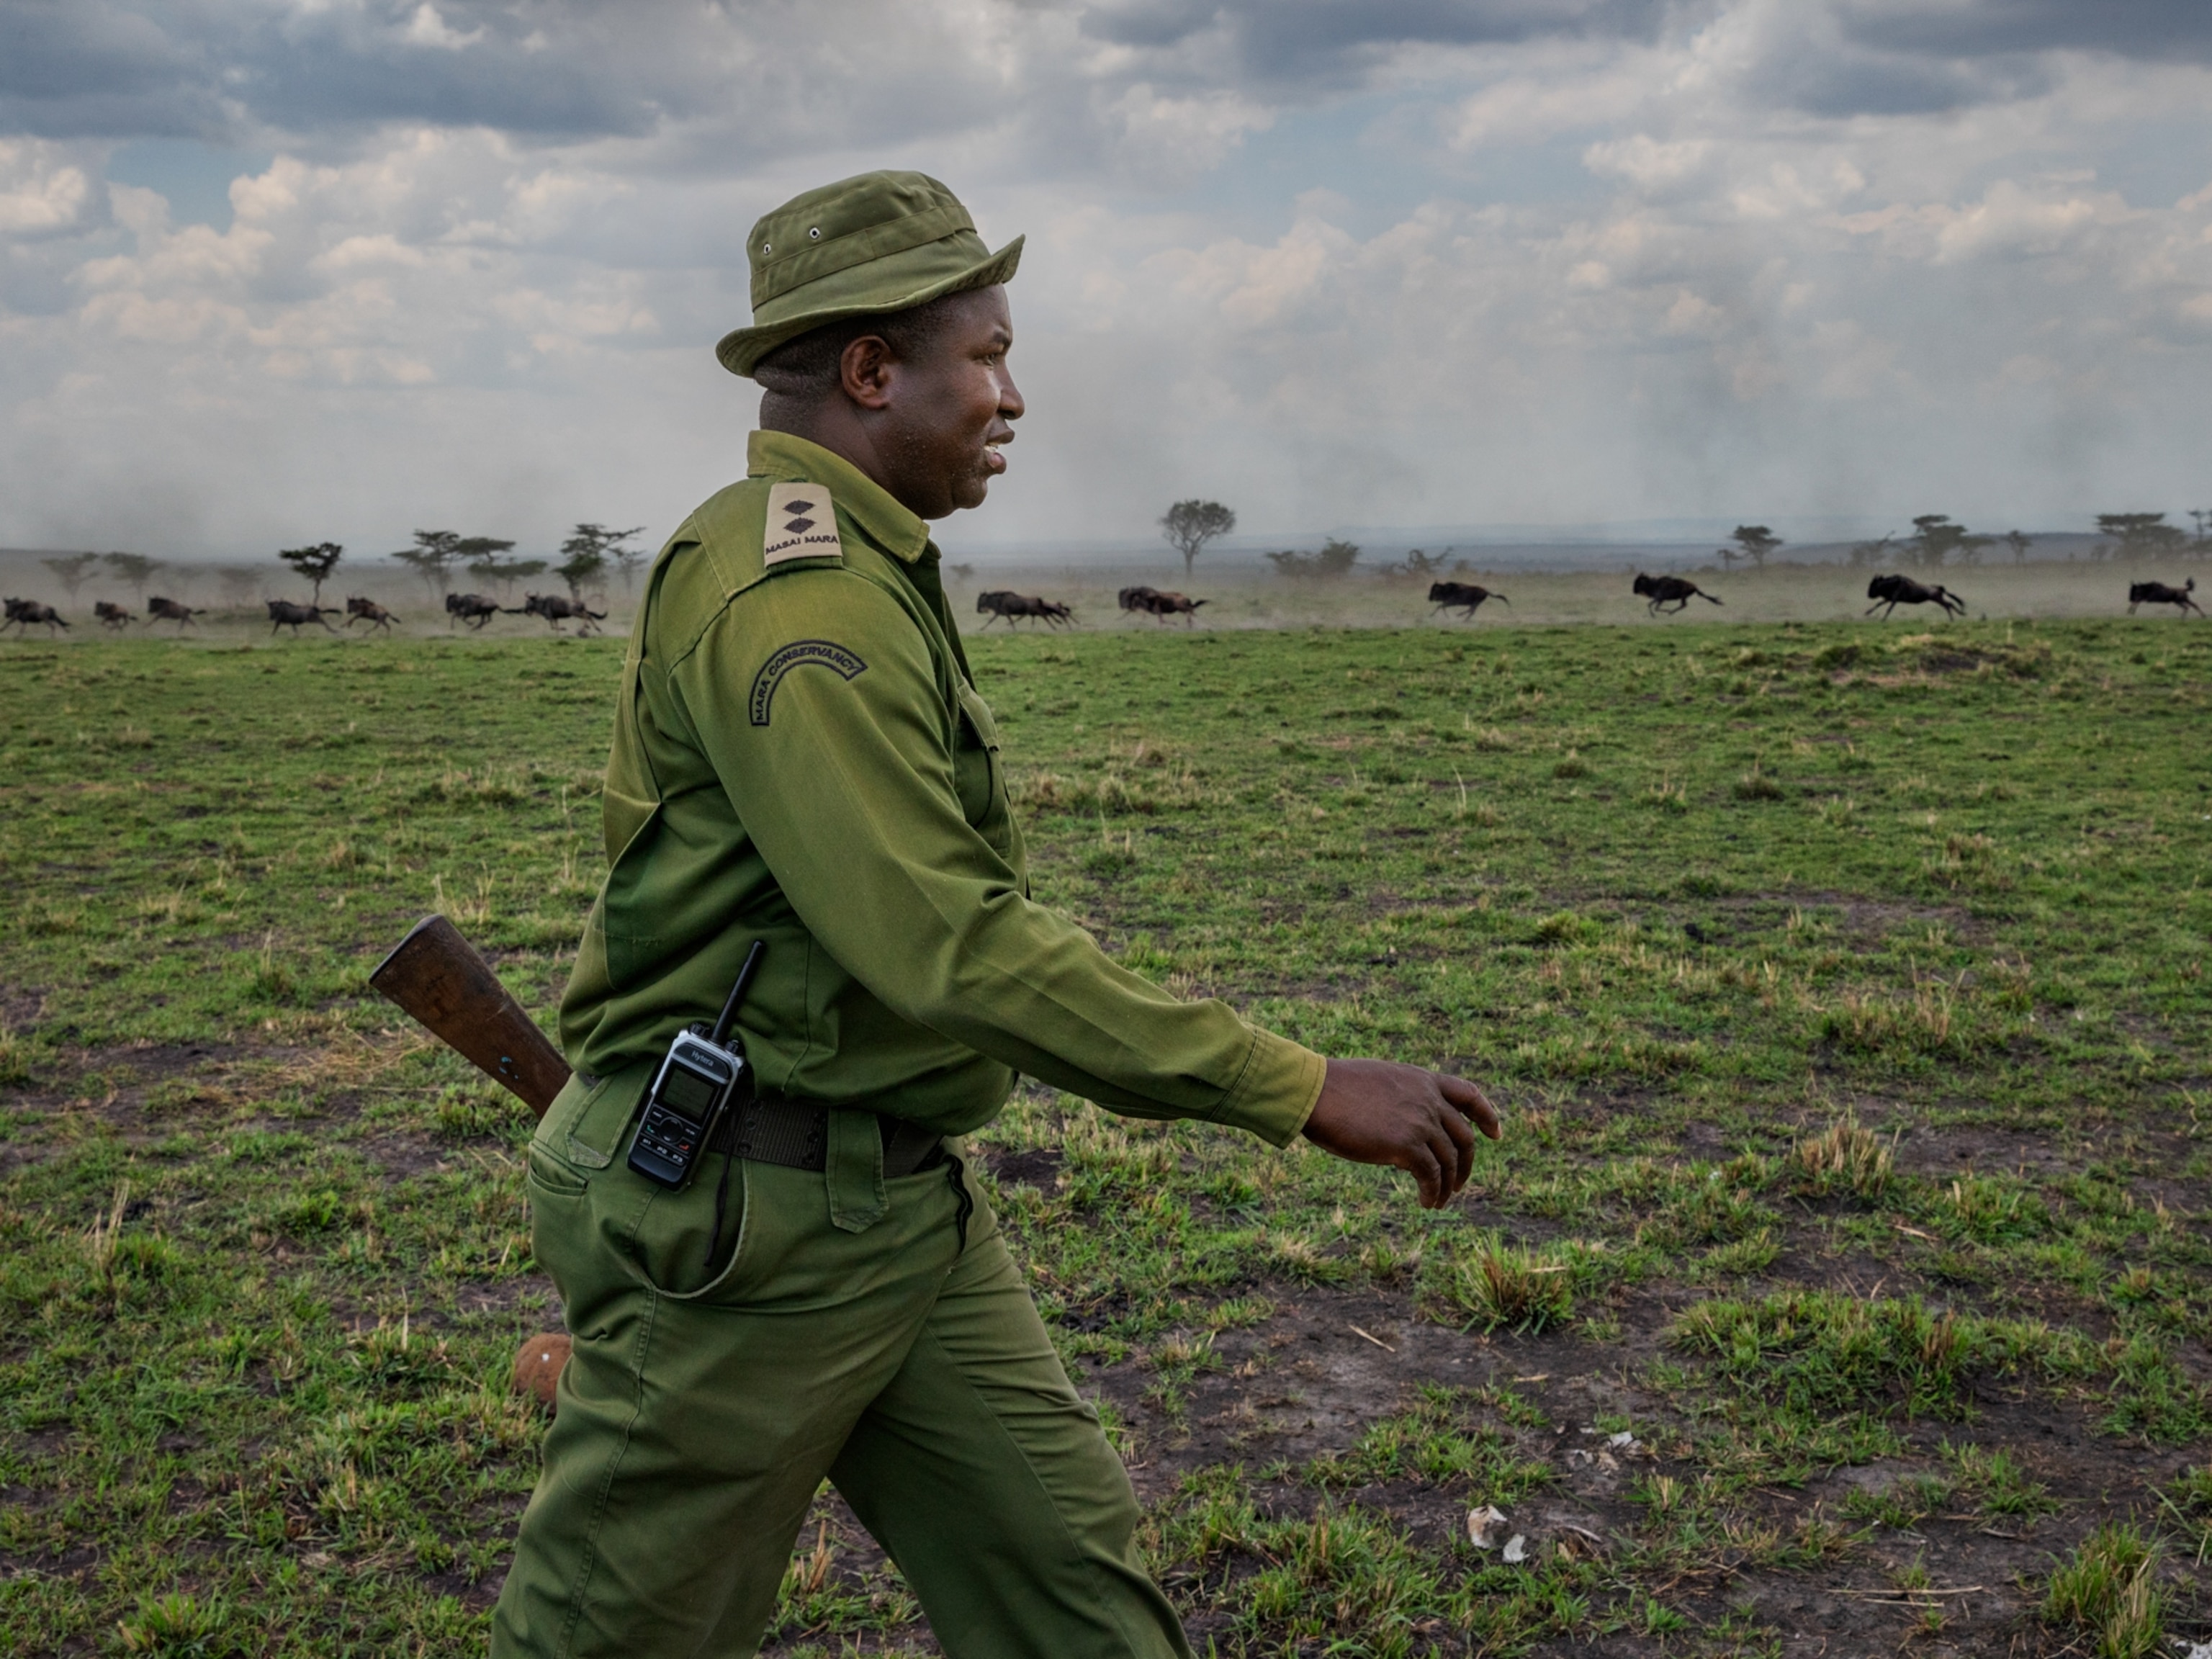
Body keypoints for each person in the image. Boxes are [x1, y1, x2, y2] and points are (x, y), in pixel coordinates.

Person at [491, 169, 1501, 1659]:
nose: (1013, 398)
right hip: (747, 1229)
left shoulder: (846, 560)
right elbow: (948, 942)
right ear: (870, 371)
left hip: (890, 1202)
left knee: (1071, 1598)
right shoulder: (806, 603)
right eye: (989, 357)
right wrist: (1293, 1087)